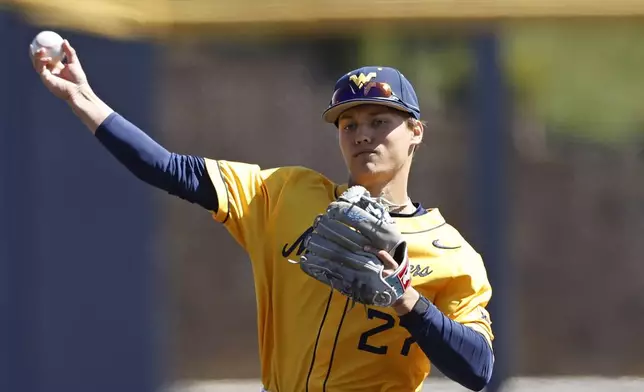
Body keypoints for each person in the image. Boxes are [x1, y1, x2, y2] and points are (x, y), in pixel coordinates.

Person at [32, 40, 495, 392]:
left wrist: (407, 302)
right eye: (349, 124)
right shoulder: (285, 194)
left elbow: (479, 370)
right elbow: (168, 168)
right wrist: (82, 98)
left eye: (379, 121)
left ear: (415, 131)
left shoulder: (451, 253)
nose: (361, 135)